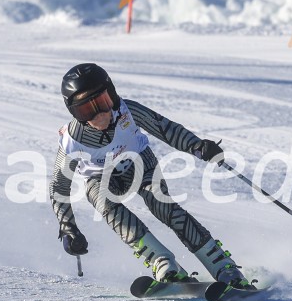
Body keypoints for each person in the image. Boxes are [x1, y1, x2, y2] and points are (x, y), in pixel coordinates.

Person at [49, 63, 251, 287]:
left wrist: (198, 146)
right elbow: (59, 186)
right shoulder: (72, 140)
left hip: (139, 163)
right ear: (75, 113)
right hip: (101, 178)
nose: (100, 115)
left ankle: (221, 265)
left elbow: (165, 129)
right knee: (103, 201)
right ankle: (163, 263)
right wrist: (68, 228)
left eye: (103, 102)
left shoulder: (128, 111)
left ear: (112, 95)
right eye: (87, 110)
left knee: (161, 204)